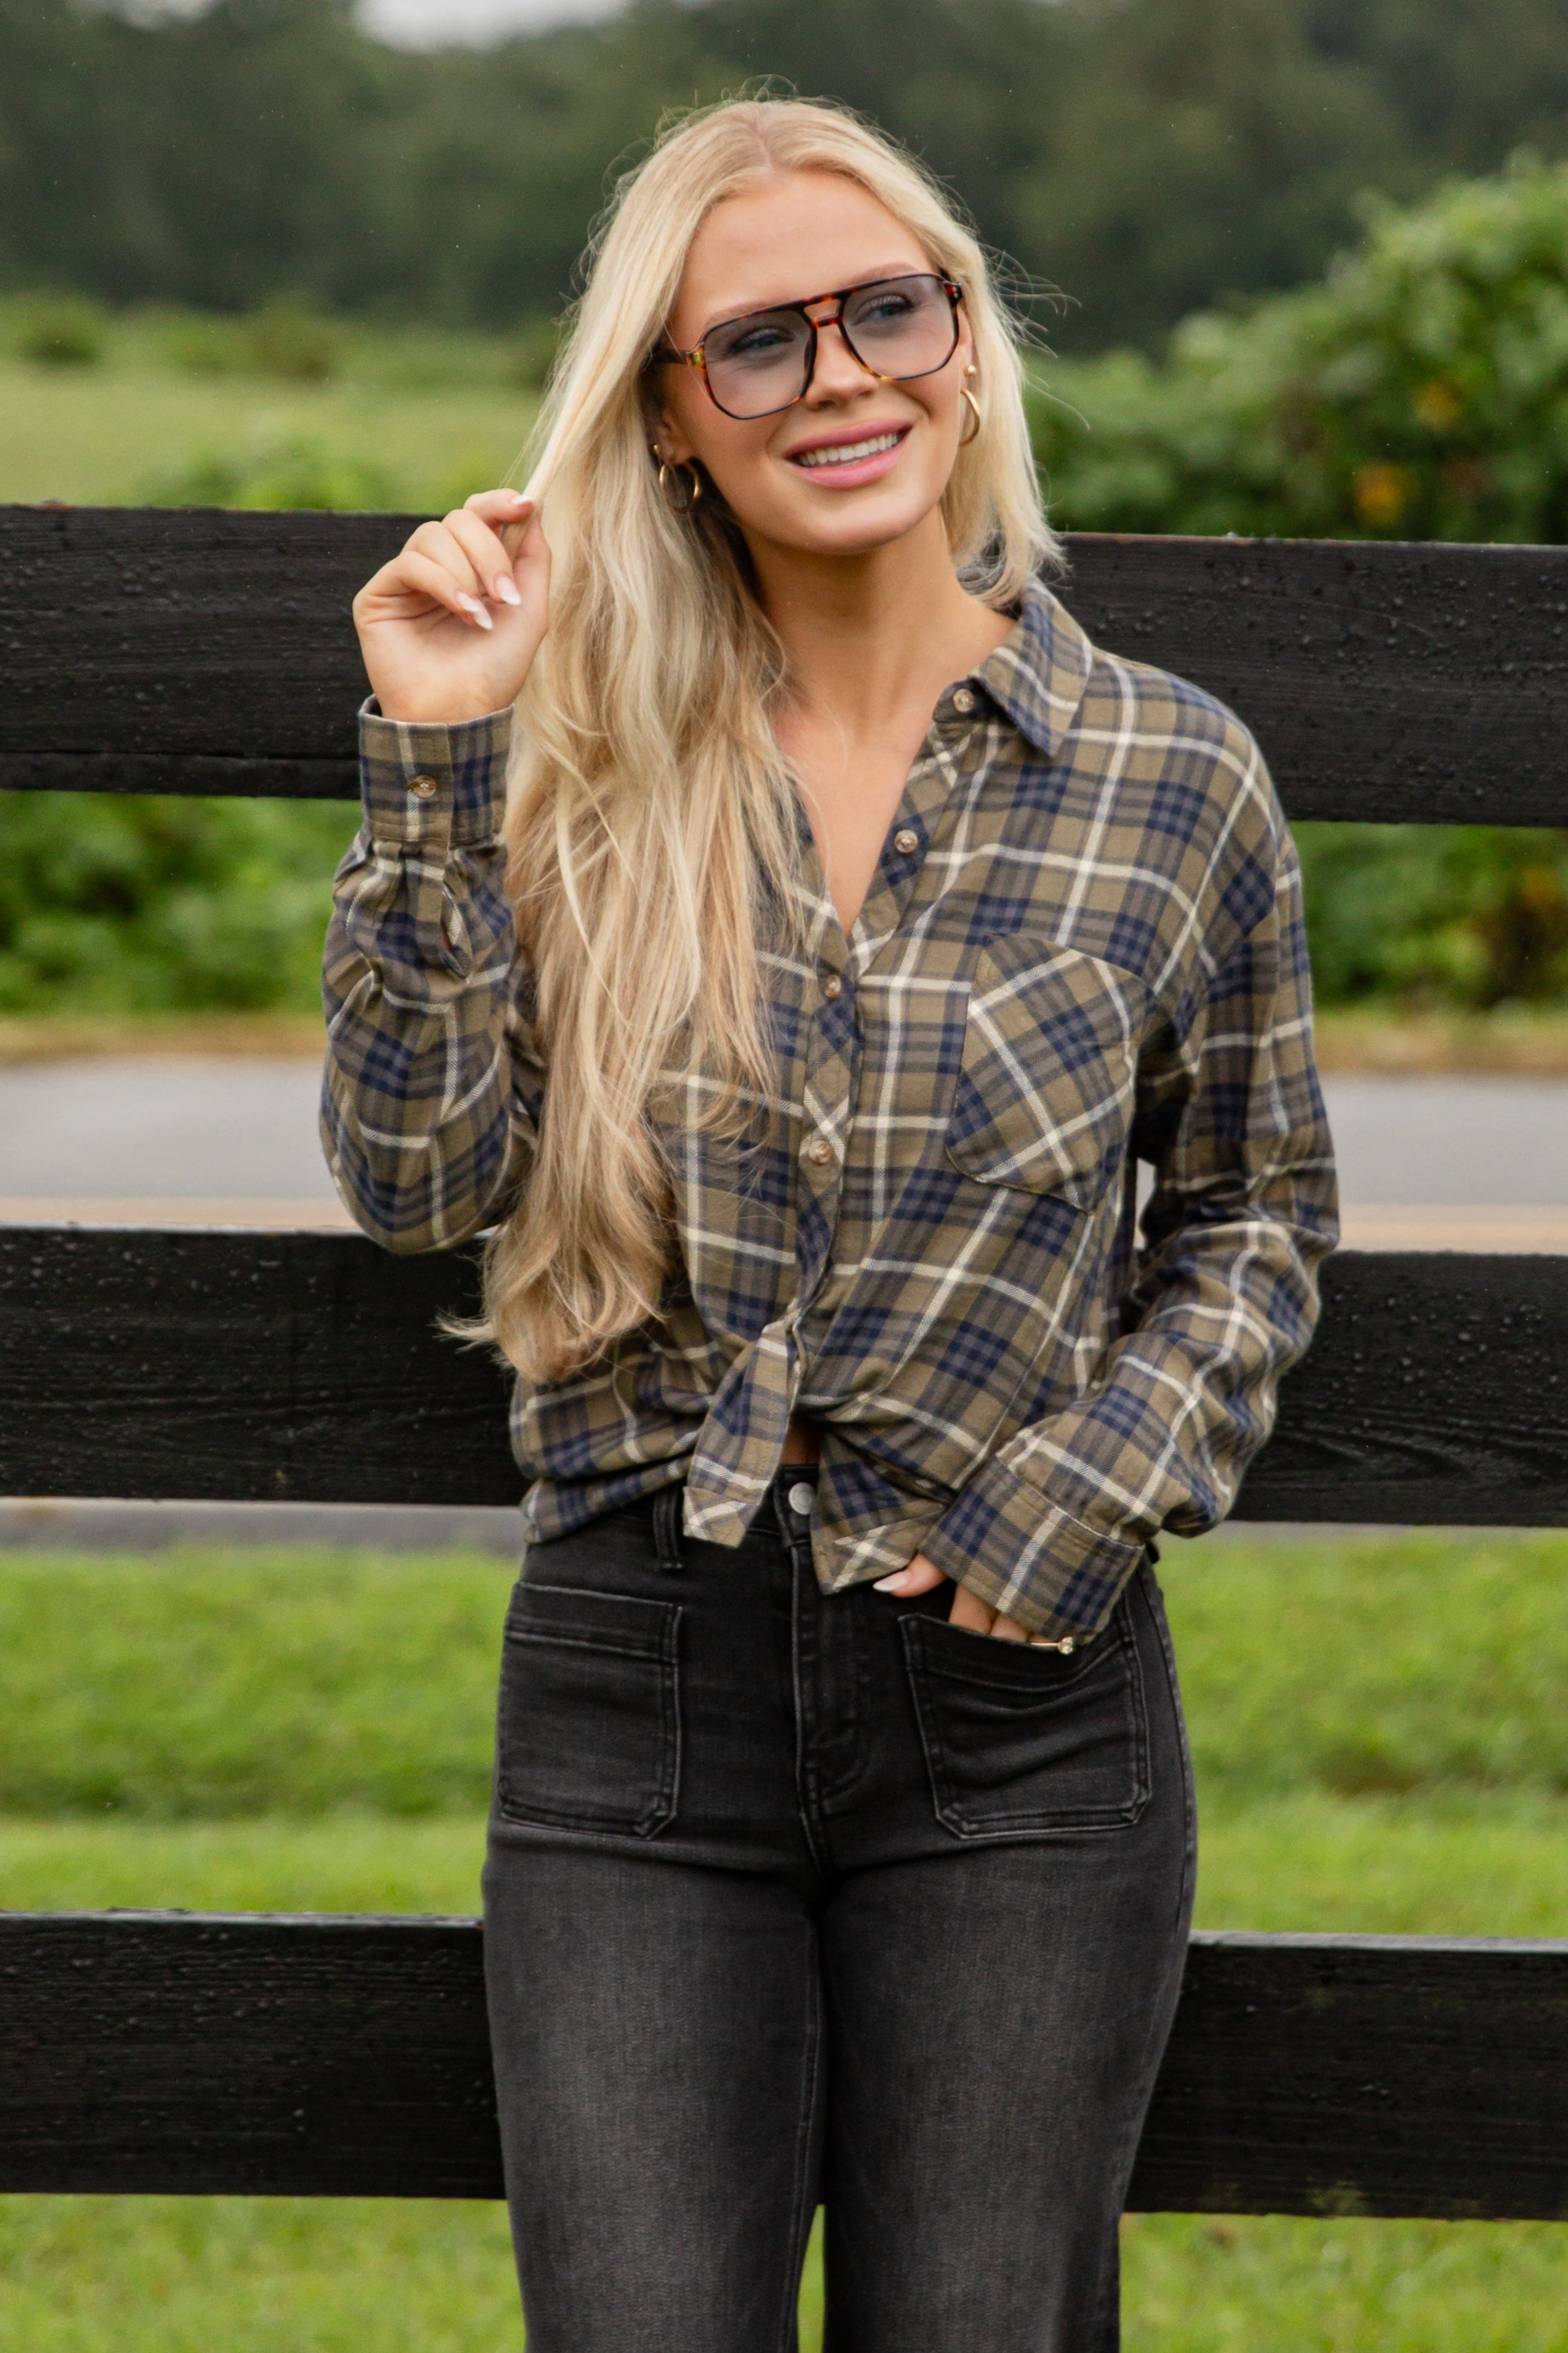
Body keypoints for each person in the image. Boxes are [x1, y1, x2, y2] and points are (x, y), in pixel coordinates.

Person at [321, 95, 1337, 2353]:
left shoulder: (1173, 777)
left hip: (1023, 1717)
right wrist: (427, 759)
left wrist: (1076, 1496)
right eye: (757, 341)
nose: (841, 376)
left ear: (964, 343)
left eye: (889, 309)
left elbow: (1258, 1214)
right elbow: (416, 1184)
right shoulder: (574, 754)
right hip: (632, 1696)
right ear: (672, 423)